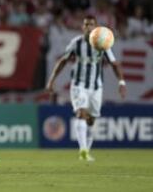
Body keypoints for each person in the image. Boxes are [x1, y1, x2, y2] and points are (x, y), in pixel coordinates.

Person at [46, 15, 127, 161]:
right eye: (86, 25)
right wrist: (51, 80)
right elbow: (63, 61)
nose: (88, 27)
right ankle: (82, 151)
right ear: (82, 27)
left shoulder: (103, 43)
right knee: (81, 113)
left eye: (91, 25)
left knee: (91, 120)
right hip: (79, 85)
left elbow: (114, 64)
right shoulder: (76, 43)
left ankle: (87, 151)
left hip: (96, 87)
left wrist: (121, 82)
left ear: (96, 27)